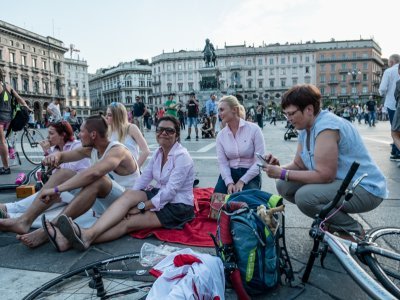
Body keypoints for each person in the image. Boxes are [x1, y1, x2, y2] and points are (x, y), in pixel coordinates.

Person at [262, 84, 387, 238]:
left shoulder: (326, 126)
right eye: (286, 114)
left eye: (292, 113)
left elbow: (325, 175)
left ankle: (352, 230)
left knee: (305, 197)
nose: (288, 118)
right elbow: (299, 165)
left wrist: (283, 173)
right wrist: (277, 168)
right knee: (284, 185)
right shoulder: (305, 128)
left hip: (365, 188)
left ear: (309, 109)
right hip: (341, 183)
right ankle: (330, 221)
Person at [55, 116, 195, 251]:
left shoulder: (182, 157)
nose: (164, 133)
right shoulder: (159, 153)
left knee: (128, 222)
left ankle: (86, 236)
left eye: (169, 130)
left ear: (176, 135)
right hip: (158, 194)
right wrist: (131, 198)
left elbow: (170, 192)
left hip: (177, 206)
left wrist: (141, 207)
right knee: (128, 196)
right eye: (160, 129)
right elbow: (144, 178)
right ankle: (80, 237)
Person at [0, 115, 139, 251]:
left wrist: (56, 190)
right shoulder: (92, 150)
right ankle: (24, 220)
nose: (79, 135)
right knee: (64, 173)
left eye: (82, 131)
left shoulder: (118, 150)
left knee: (99, 180)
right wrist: (56, 155)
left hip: (125, 204)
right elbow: (65, 156)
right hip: (105, 202)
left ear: (93, 134)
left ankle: (49, 228)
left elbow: (93, 173)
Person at [0, 121, 91, 246]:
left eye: (51, 133)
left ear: (63, 135)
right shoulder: (55, 149)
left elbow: (68, 172)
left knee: (52, 199)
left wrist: (51, 155)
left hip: (74, 190)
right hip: (64, 191)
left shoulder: (76, 146)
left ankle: (12, 215)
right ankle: (9, 212)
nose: (48, 137)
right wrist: (48, 153)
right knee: (46, 198)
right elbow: (51, 176)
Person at [214, 95, 265, 194]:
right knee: (217, 200)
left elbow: (260, 161)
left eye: (222, 110)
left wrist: (242, 181)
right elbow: (222, 163)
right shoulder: (221, 135)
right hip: (230, 172)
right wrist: (229, 183)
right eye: (218, 110)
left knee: (244, 200)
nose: (219, 114)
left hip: (250, 173)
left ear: (234, 110)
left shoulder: (254, 129)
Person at [0, 68, 31, 175]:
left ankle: (5, 167)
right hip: (8, 119)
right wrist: (27, 107)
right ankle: (9, 155)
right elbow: (19, 99)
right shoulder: (7, 86)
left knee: (2, 142)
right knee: (4, 140)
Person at [106, 102, 150, 169]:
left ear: (117, 116)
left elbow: (146, 151)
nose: (106, 117)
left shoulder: (131, 128)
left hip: (131, 175)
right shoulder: (108, 131)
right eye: (106, 114)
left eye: (109, 115)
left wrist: (135, 169)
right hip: (115, 174)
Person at [379, 54, 400, 159]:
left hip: (392, 104)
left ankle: (397, 151)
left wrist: (382, 94)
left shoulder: (388, 71)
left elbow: (382, 88)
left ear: (391, 62)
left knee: (395, 129)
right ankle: (395, 149)